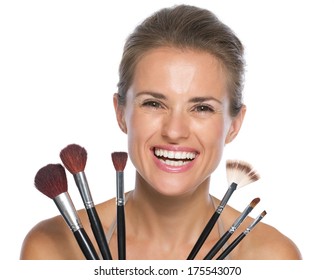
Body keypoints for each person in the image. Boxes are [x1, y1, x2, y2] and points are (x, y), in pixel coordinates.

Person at [20, 4, 301, 260]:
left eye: (202, 108)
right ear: (121, 113)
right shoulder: (52, 249)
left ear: (234, 124)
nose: (175, 131)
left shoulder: (273, 257)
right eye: (153, 103)